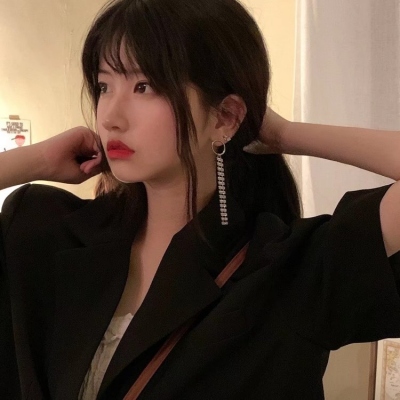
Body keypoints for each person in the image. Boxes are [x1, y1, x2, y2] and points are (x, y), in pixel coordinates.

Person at [1, 0, 400, 399]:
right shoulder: (45, 230)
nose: (110, 117)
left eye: (144, 86)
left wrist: (285, 134)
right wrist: (35, 160)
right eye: (105, 86)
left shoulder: (285, 269)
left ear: (225, 117)